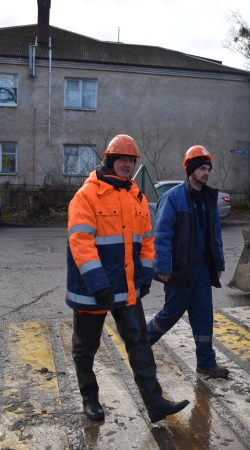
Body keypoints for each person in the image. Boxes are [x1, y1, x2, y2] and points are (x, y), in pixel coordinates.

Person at [66, 134, 190, 422]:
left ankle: (155, 403)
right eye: (121, 159)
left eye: (131, 160)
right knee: (85, 348)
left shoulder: (137, 197)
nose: (126, 164)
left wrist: (146, 276)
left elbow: (148, 241)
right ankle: (90, 398)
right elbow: (81, 242)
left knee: (140, 343)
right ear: (109, 160)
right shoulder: (86, 195)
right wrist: (98, 283)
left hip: (127, 287)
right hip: (91, 289)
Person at [147, 145, 229, 378]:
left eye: (208, 169)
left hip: (203, 269)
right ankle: (140, 345)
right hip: (179, 270)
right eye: (202, 168)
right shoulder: (172, 198)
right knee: (170, 314)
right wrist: (162, 266)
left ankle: (206, 362)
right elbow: (162, 234)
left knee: (204, 316)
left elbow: (215, 234)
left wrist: (218, 264)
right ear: (191, 170)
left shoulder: (209, 199)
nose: (206, 173)